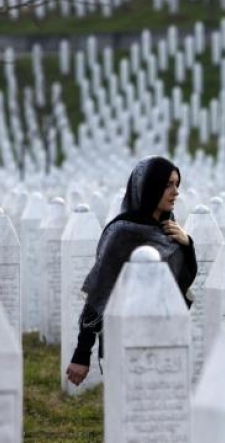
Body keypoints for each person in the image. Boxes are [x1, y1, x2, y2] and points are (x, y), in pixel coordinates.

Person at [65, 155, 197, 386]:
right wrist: (81, 354)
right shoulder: (121, 234)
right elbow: (99, 295)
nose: (176, 192)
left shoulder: (169, 229)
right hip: (126, 339)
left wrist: (187, 245)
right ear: (149, 188)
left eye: (177, 184)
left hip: (165, 337)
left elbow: (183, 282)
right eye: (168, 185)